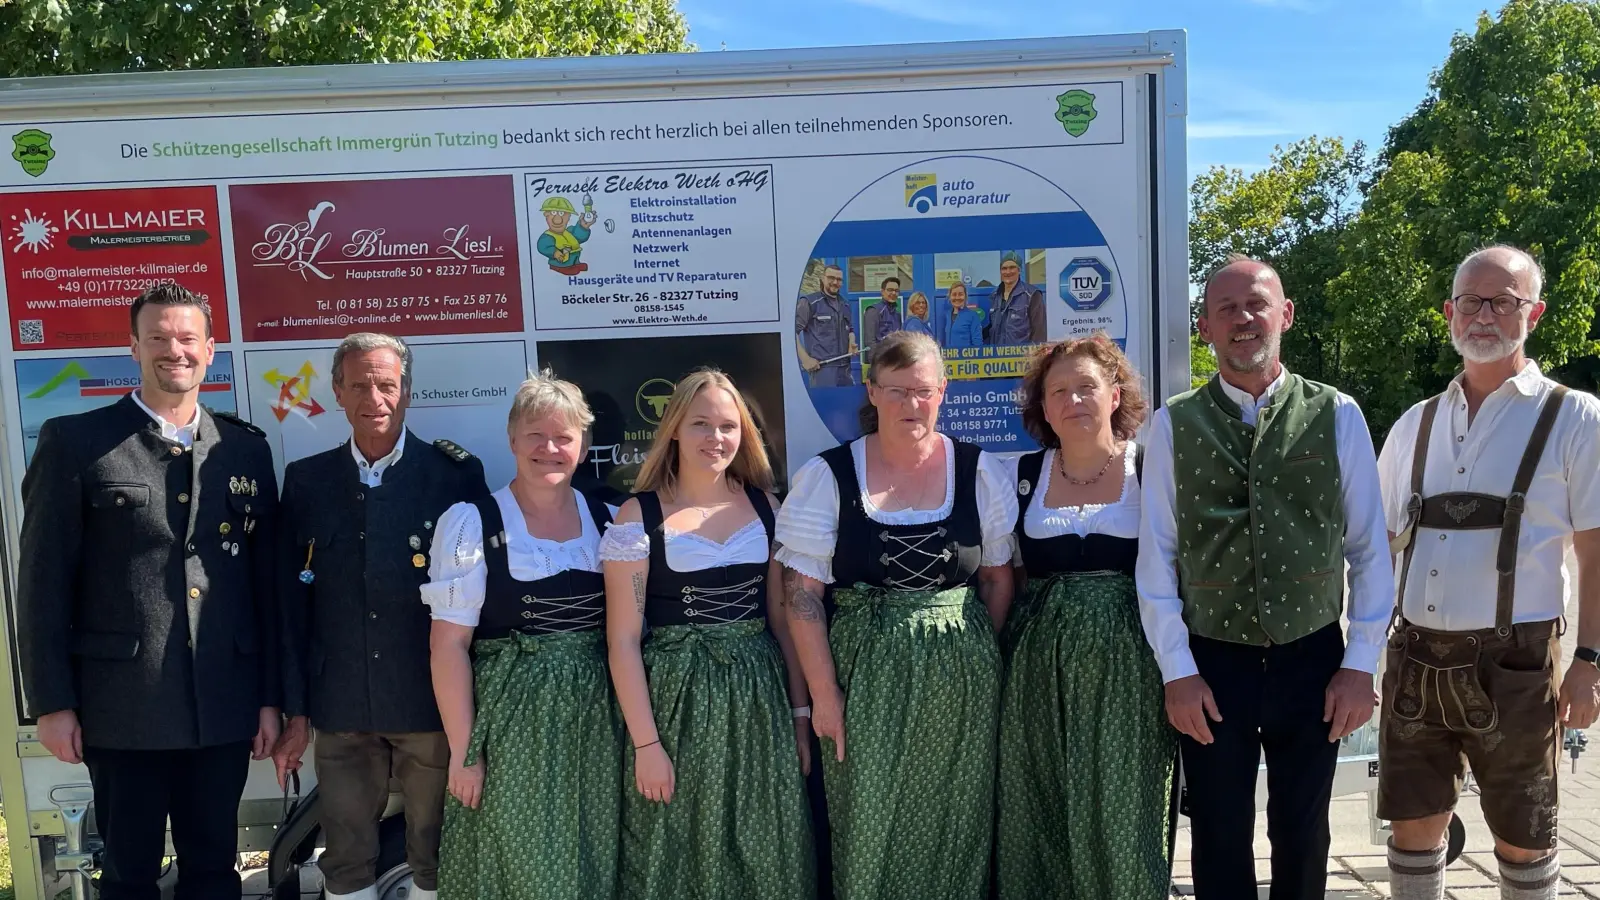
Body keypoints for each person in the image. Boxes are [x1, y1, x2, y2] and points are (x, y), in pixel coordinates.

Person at [1135, 254, 1392, 900]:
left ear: (1286, 315)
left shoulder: (1338, 415)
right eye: (1226, 309)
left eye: (1256, 305)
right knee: (1218, 834)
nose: (1243, 320)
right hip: (1211, 664)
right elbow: (1157, 557)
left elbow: (1368, 550)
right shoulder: (1172, 426)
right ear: (1205, 328)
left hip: (1312, 657)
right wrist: (1176, 671)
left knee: (1304, 835)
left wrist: (1361, 663)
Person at [17, 281, 281, 900]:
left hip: (221, 702)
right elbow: (43, 584)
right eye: (158, 338)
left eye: (187, 338)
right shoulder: (76, 442)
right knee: (130, 875)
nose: (174, 350)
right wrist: (52, 702)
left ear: (212, 349)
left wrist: (269, 698)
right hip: (122, 708)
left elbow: (264, 589)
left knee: (215, 873)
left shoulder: (245, 449)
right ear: (132, 347)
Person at [1377, 245, 1600, 900]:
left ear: (1534, 312)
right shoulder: (1416, 424)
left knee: (1525, 835)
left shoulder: (1575, 417)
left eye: (1503, 299)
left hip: (1519, 662)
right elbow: (1378, 543)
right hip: (1413, 654)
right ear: (1449, 311)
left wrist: (1588, 661)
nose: (1484, 313)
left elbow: (1595, 549)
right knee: (1414, 826)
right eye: (1471, 300)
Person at [775, 330, 1017, 900]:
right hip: (862, 681)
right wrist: (825, 694)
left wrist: (976, 654)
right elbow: (801, 596)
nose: (912, 403)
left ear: (943, 392)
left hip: (962, 684)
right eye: (897, 390)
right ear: (873, 392)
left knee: (957, 816)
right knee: (868, 818)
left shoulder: (979, 471)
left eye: (923, 390)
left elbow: (997, 579)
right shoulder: (829, 475)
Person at [273, 333, 488, 900]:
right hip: (340, 705)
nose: (375, 397)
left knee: (436, 852)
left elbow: (478, 601)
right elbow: (291, 609)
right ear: (339, 393)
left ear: (407, 393)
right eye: (360, 384)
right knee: (345, 857)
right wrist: (296, 708)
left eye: (387, 384)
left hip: (428, 703)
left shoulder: (452, 475)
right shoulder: (306, 480)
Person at [601, 370, 815, 899]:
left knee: (764, 841)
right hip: (677, 707)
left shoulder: (767, 508)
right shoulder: (638, 515)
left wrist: (800, 716)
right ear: (673, 428)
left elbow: (784, 624)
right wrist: (647, 744)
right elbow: (624, 640)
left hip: (758, 704)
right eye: (700, 424)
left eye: (727, 426)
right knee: (677, 844)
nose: (714, 439)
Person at [422, 373, 624, 900]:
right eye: (535, 434)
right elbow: (447, 647)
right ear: (512, 438)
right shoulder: (472, 522)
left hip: (600, 723)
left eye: (564, 437)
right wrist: (467, 752)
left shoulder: (608, 521)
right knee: (523, 865)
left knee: (596, 855)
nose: (549, 448)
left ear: (582, 445)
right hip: (512, 726)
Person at [996, 334, 1175, 900]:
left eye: (1087, 387)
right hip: (1037, 673)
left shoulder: (1149, 468)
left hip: (1130, 670)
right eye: (1058, 391)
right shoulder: (1021, 475)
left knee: (1125, 803)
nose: (1074, 401)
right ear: (1043, 407)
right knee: (1042, 803)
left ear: (1115, 394)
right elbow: (1010, 576)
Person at [797, 264, 858, 387]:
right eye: (831, 277)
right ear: (822, 278)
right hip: (823, 370)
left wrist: (852, 343)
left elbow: (850, 329)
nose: (835, 282)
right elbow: (791, 333)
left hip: (845, 369)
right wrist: (805, 360)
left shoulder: (845, 304)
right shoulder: (809, 303)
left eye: (839, 279)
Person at [986, 252, 1045, 346]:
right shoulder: (994, 296)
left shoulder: (1032, 295)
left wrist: (1034, 357)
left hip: (1021, 357)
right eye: (1004, 268)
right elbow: (992, 328)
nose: (1008, 272)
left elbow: (1039, 332)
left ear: (1019, 270)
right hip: (997, 357)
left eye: (1012, 267)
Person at [862, 276, 904, 363]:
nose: (893, 293)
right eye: (890, 290)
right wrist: (876, 365)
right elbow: (870, 342)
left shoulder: (897, 315)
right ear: (882, 292)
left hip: (894, 362)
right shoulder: (873, 311)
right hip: (880, 362)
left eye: (896, 291)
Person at [946, 282, 984, 349]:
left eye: (960, 294)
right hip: (950, 358)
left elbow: (978, 344)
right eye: (954, 294)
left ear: (965, 296)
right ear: (950, 297)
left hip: (966, 359)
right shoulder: (947, 315)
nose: (957, 297)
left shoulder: (973, 316)